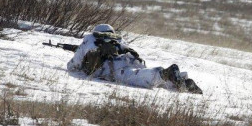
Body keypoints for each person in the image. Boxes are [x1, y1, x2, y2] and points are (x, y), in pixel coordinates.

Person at [67, 24, 202, 94]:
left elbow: (73, 65)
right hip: (131, 59)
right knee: (145, 75)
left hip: (115, 67)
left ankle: (164, 73)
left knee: (136, 77)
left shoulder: (90, 40)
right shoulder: (118, 39)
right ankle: (184, 83)